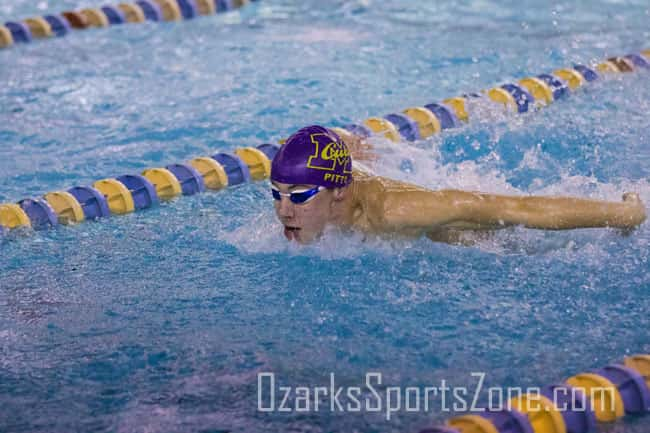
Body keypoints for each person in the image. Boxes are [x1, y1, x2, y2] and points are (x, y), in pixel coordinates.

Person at [270, 125, 647, 244]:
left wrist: (626, 212)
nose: (283, 210)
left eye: (299, 197)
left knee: (506, 238)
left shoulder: (392, 211)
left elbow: (518, 208)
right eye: (276, 194)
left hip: (465, 237)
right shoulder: (309, 191)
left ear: (337, 194)